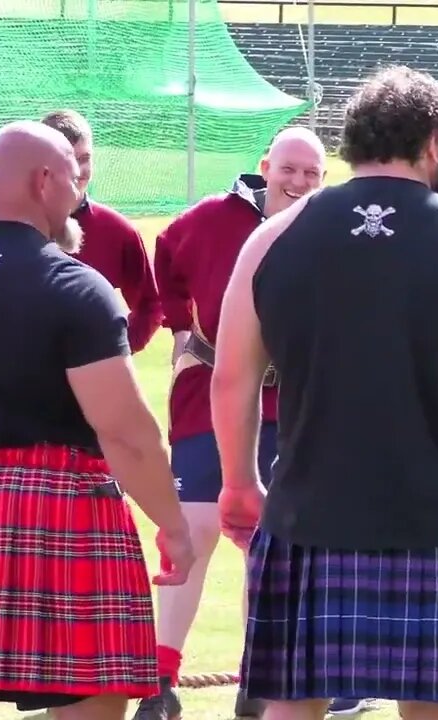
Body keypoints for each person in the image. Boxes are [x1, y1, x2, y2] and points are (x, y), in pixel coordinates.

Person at [214, 65, 438, 720]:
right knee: (431, 710)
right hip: (436, 520)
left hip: (306, 517)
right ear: (433, 146)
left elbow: (232, 376)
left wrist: (237, 481)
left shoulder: (271, 240)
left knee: (291, 708)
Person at [0, 121, 194, 719]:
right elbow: (126, 432)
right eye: (74, 182)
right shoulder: (74, 286)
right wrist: (173, 526)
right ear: (43, 181)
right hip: (62, 511)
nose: (81, 197)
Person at [136, 126, 327, 720]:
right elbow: (166, 254)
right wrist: (180, 326)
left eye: (311, 175)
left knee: (269, 545)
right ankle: (160, 679)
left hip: (289, 408)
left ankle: (257, 678)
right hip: (209, 397)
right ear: (267, 165)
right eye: (288, 169)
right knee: (191, 534)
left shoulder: (327, 229)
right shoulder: (210, 219)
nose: (297, 183)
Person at [41, 109, 163, 353]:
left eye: (84, 158)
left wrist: (116, 348)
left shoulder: (117, 232)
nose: (77, 170)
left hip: (91, 384)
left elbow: (151, 304)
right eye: (66, 159)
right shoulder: (13, 225)